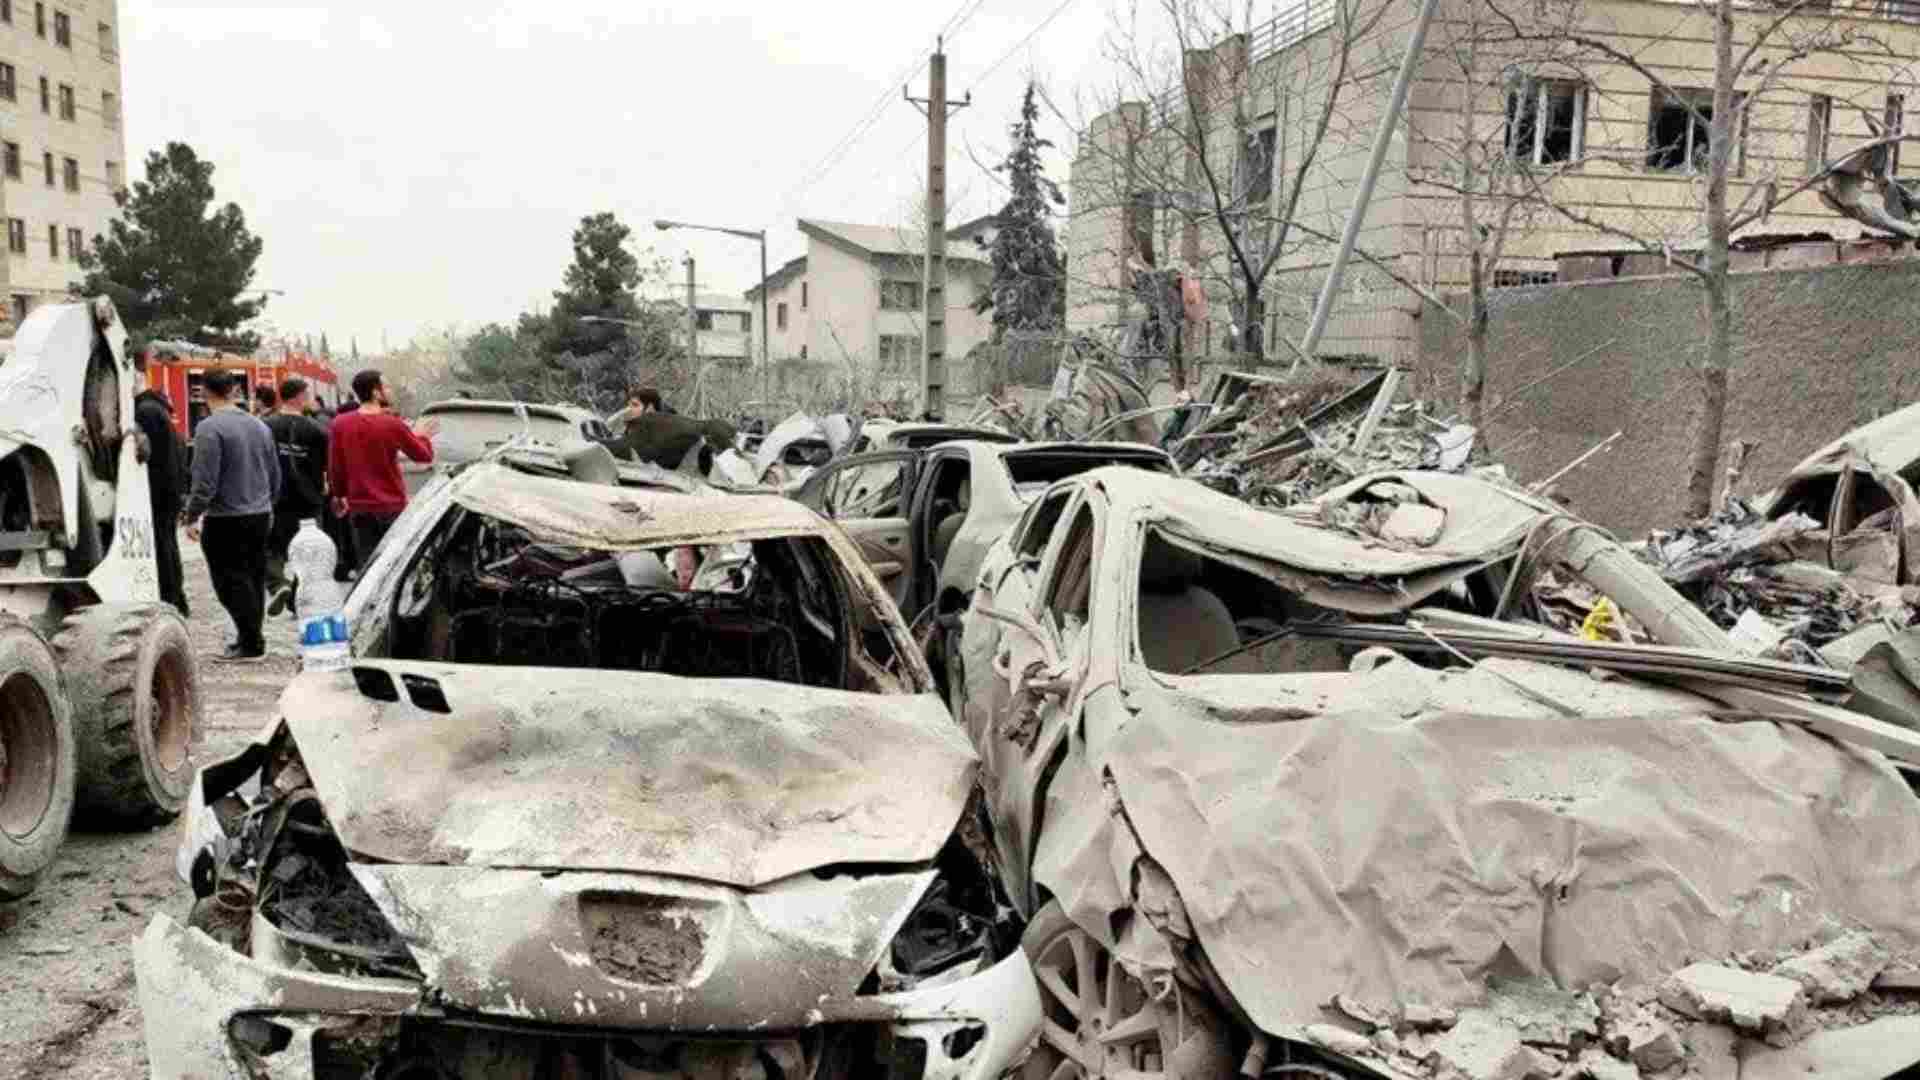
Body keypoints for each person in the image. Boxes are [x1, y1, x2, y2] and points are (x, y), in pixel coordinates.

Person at [183, 369, 281, 662]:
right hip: (260, 512)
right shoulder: (260, 426)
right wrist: (268, 502)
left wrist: (192, 515)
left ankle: (250, 641)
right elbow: (274, 473)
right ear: (235, 391)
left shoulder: (209, 428)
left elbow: (204, 480)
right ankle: (251, 637)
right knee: (253, 576)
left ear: (204, 392)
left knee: (228, 580)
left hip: (226, 516)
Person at [328, 369, 437, 570]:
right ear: (375, 393)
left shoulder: (340, 424)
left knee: (368, 566)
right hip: (392, 505)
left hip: (360, 507)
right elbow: (423, 456)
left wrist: (339, 494)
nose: (389, 390)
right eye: (385, 386)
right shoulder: (393, 424)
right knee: (392, 565)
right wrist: (422, 436)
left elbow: (336, 465)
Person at [264, 377, 330, 613]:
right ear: (299, 397)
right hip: (308, 500)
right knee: (308, 552)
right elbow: (326, 467)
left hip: (276, 497)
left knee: (272, 549)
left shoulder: (266, 426)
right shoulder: (318, 430)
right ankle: (296, 596)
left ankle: (278, 584)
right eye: (308, 394)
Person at [132, 380, 189, 616]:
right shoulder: (158, 409)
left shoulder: (145, 411)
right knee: (168, 545)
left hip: (157, 492)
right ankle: (176, 598)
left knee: (162, 547)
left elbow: (151, 456)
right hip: (169, 491)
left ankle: (170, 598)